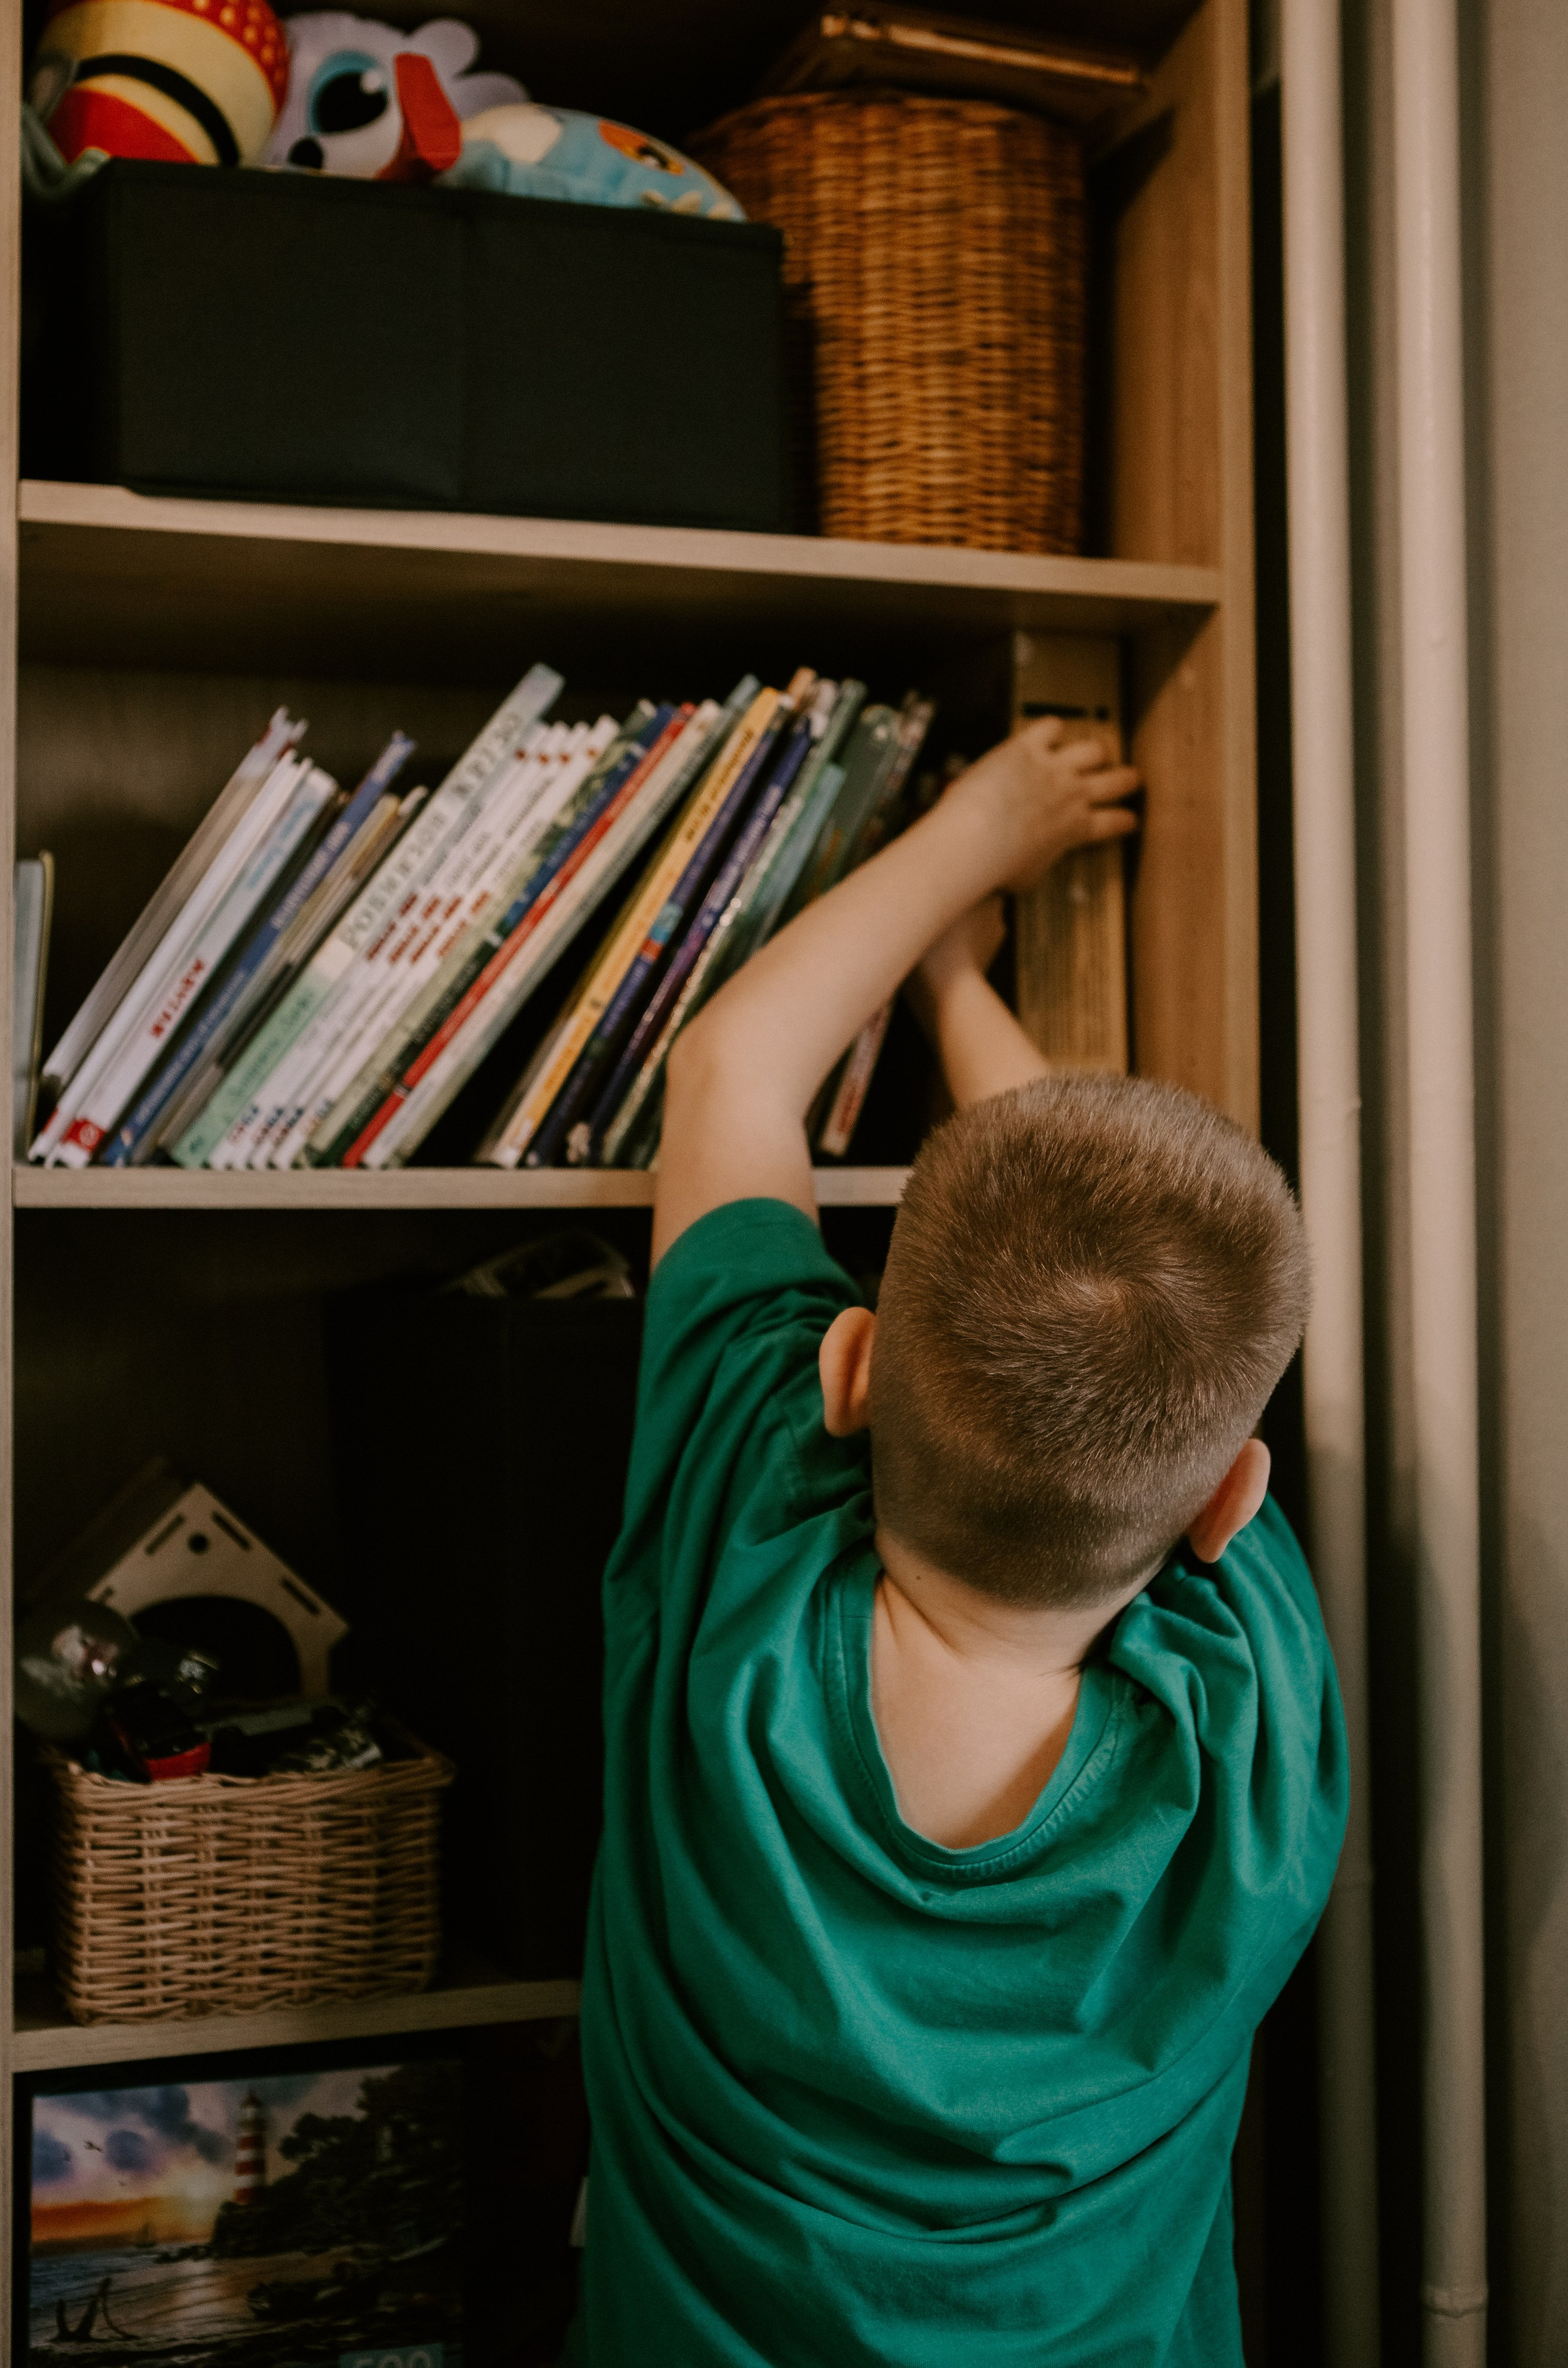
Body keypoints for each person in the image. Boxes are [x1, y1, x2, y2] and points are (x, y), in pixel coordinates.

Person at [565, 718, 1347, 2367]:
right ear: (1231, 1500)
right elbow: (1117, 1273)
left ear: (842, 1375)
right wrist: (958, 992)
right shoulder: (1259, 1716)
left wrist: (975, 843)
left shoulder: (742, 1528)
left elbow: (730, 1073)